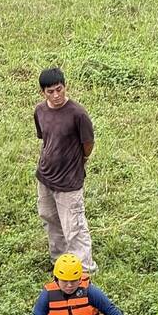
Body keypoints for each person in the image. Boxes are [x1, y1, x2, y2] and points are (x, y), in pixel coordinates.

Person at [34, 67, 96, 272]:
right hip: (45, 177)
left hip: (69, 181)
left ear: (65, 86)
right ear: (43, 92)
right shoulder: (40, 111)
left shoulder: (77, 113)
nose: (56, 95)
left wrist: (81, 159)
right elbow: (46, 139)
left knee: (74, 227)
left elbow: (88, 143)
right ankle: (60, 263)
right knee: (50, 219)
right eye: (50, 91)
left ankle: (84, 269)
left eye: (59, 89)